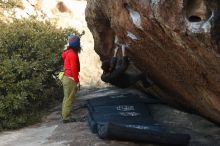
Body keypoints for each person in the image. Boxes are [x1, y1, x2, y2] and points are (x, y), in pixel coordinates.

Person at [61, 34, 81, 123]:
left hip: (66, 77)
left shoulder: (67, 52)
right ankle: (66, 118)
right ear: (76, 44)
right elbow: (74, 68)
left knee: (66, 98)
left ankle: (65, 115)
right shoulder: (72, 54)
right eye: (78, 43)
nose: (80, 44)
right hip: (70, 79)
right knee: (69, 98)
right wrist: (77, 80)